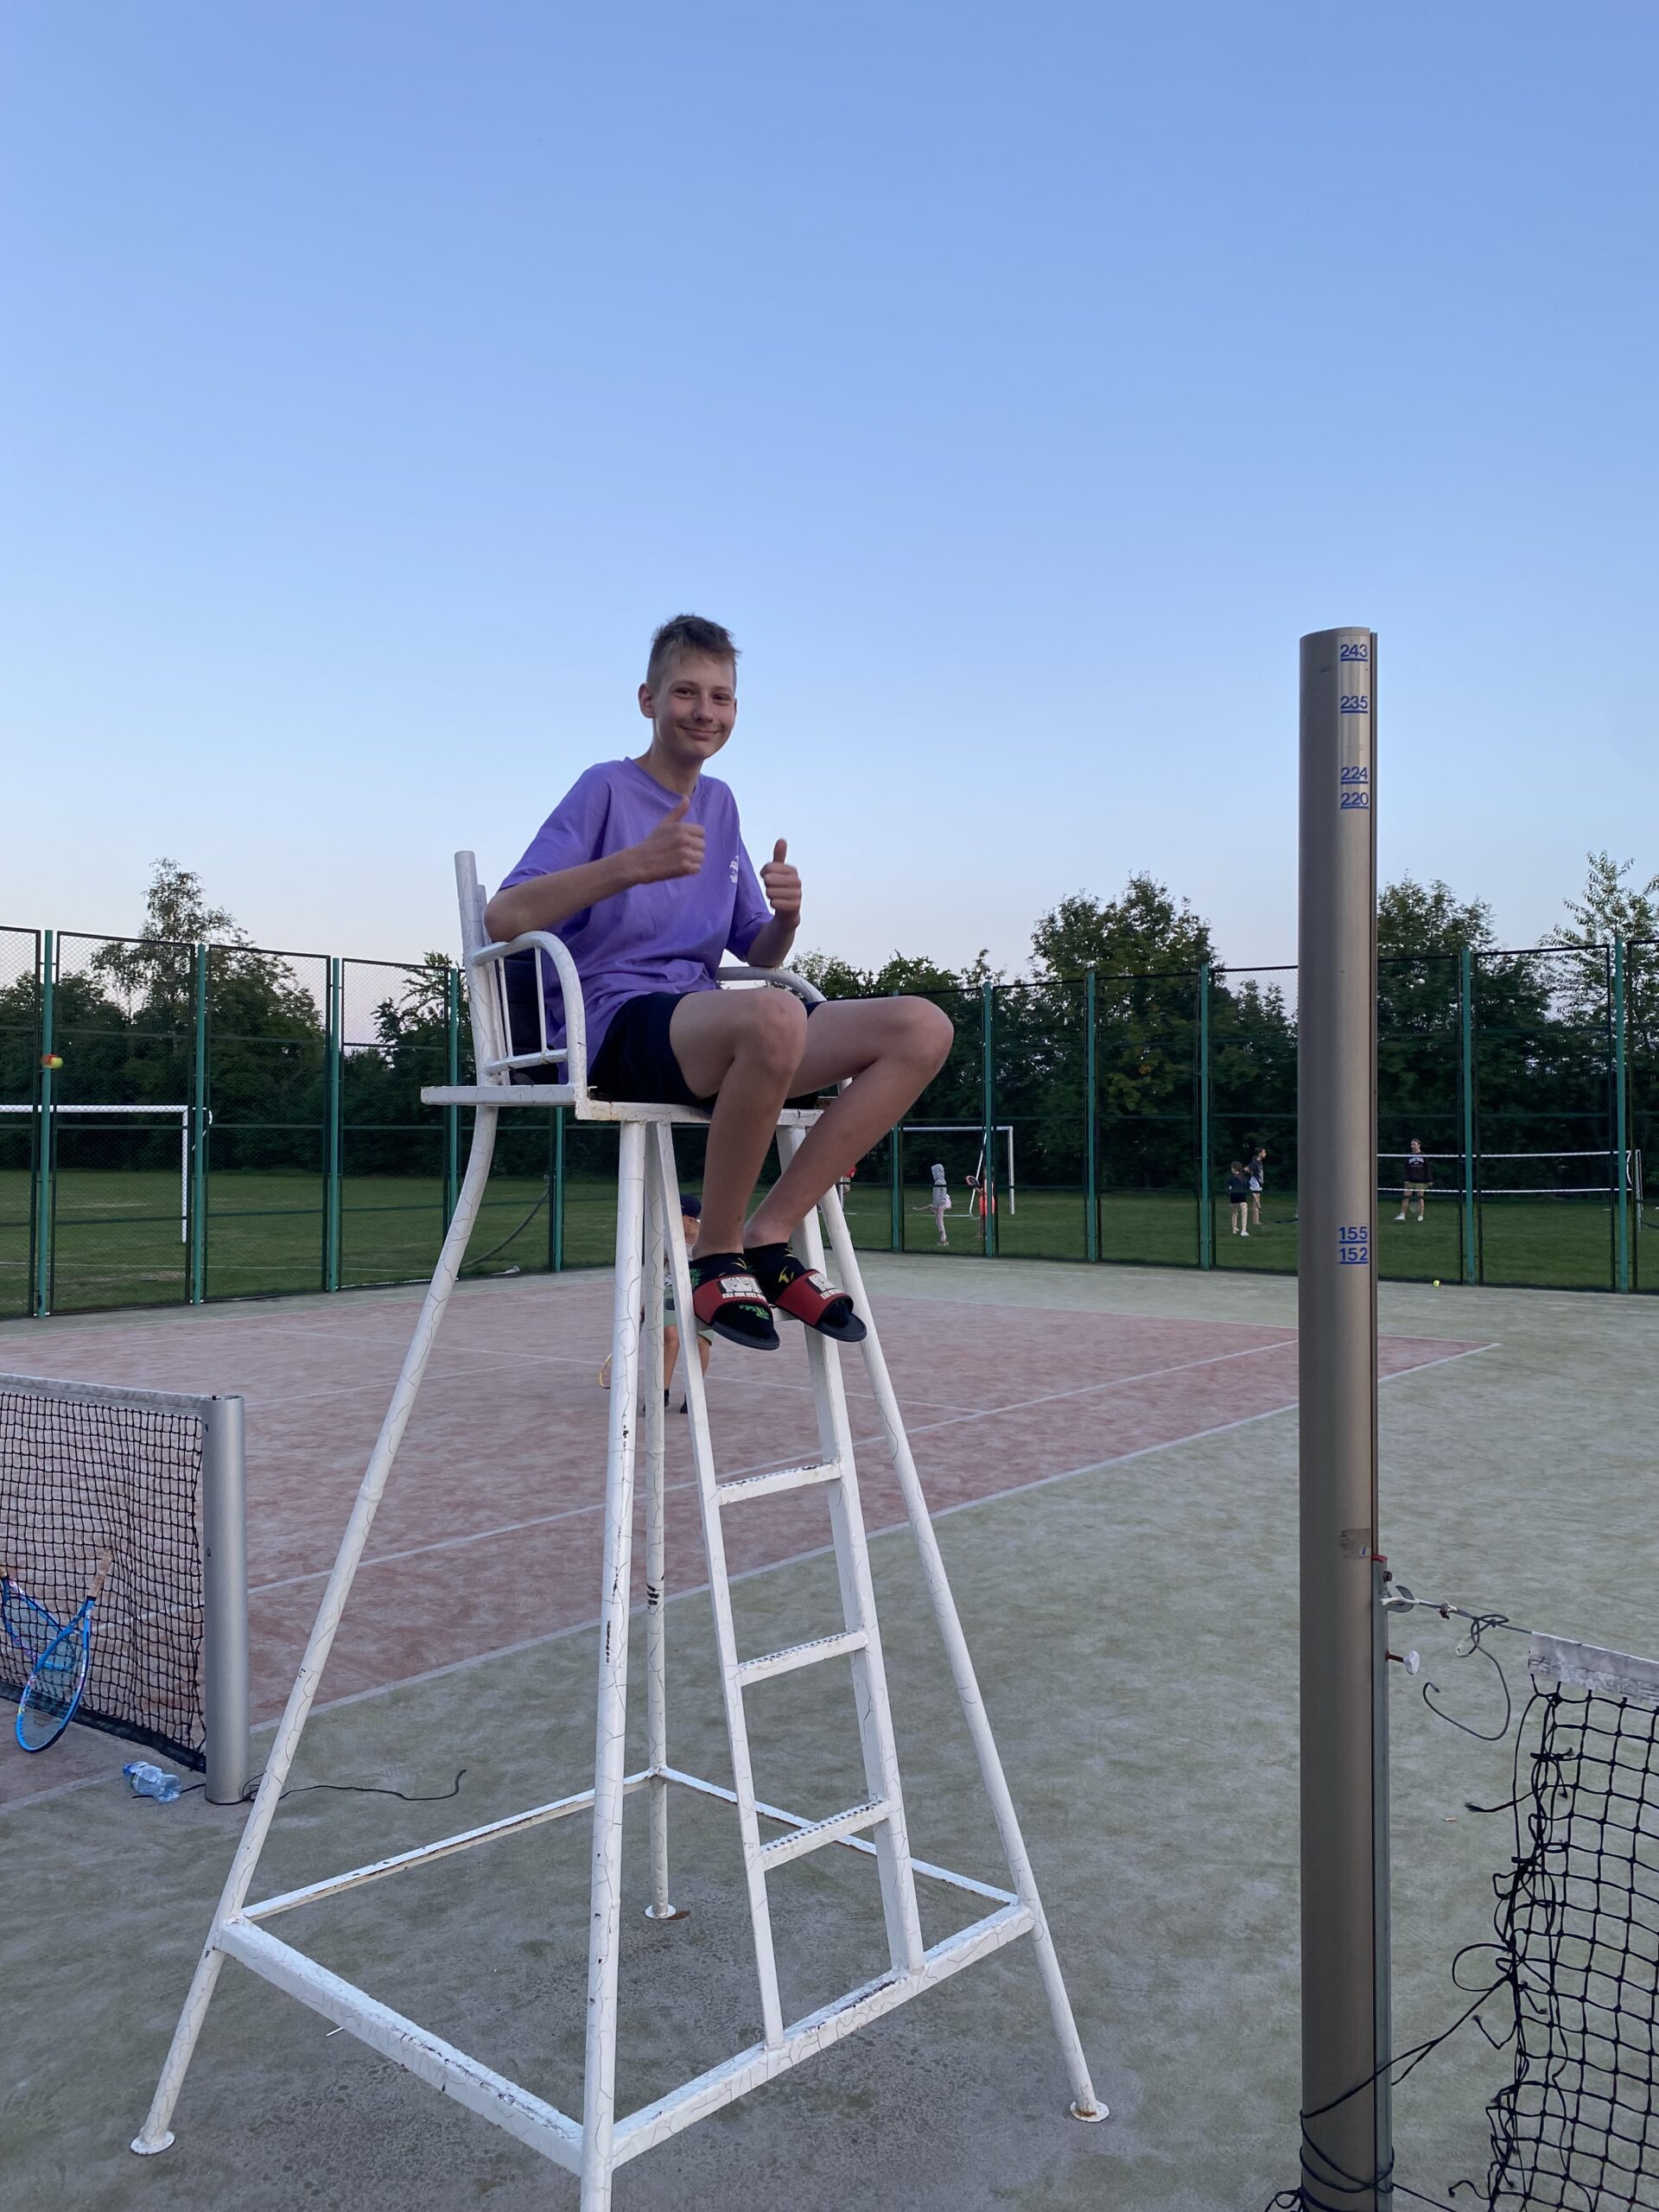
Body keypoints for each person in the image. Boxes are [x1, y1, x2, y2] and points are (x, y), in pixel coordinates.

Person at [486, 613, 953, 1352]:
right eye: (685, 692)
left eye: (721, 697)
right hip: (616, 1023)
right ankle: (716, 1252)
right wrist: (632, 865)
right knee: (774, 1015)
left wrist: (787, 918)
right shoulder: (604, 788)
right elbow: (504, 915)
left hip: (711, 1029)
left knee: (922, 1027)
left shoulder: (722, 803)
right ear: (648, 700)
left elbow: (757, 948)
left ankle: (768, 1236)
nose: (704, 711)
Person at [599, 1193, 714, 1411]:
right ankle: (662, 1394)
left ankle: (694, 1396)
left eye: (676, 1215)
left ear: (691, 1220)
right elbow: (658, 1268)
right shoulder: (665, 1234)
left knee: (701, 1342)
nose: (669, 1219)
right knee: (671, 1336)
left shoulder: (710, 1237)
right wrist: (651, 1298)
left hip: (703, 1291)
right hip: (671, 1289)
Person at [1397, 1138, 1432, 1223]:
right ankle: (1402, 1215)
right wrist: (1405, 1179)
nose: (1412, 1146)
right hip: (1410, 1180)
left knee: (1420, 1198)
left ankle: (1421, 1216)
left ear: (1419, 1145)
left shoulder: (1423, 1156)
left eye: (1414, 1144)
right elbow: (1405, 1168)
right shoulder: (1409, 1156)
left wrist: (1429, 1180)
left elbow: (1427, 1168)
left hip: (1420, 1181)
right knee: (1405, 1197)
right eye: (1412, 1144)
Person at [927, 1160, 952, 1247]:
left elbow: (937, 1196)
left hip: (939, 1205)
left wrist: (934, 1207)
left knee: (940, 1223)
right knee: (940, 1222)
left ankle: (943, 1241)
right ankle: (944, 1240)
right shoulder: (943, 1181)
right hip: (943, 1203)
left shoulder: (938, 1183)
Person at [1227, 1160, 1251, 1237]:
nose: (1231, 1169)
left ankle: (1234, 1229)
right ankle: (1243, 1230)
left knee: (1234, 1213)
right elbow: (1248, 1187)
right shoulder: (1244, 1178)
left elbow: (1230, 1189)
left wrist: (1231, 1195)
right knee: (1244, 1213)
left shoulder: (1231, 1178)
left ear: (1235, 1169)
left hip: (1233, 1197)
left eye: (1232, 1168)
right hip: (1242, 1197)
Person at [1249, 1145, 1267, 1229]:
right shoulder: (1255, 1163)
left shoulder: (1260, 1162)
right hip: (1255, 1182)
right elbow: (1249, 1169)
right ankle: (1255, 1221)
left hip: (1259, 1183)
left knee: (1257, 1200)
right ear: (1259, 1153)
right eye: (1264, 1152)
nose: (1265, 1154)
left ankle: (1257, 1220)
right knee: (1256, 1201)